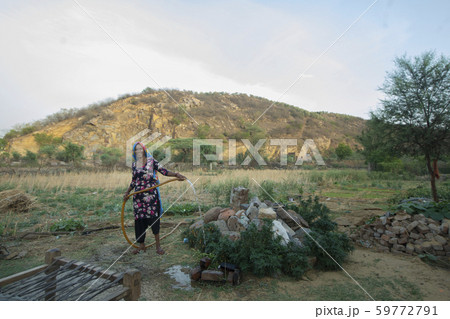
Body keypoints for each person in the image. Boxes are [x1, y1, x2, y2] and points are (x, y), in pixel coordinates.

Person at [124, 142, 186, 255]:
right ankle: (141, 245)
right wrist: (127, 193)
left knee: (154, 219)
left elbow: (164, 171)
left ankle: (158, 246)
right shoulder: (134, 165)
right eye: (136, 150)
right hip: (138, 198)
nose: (138, 151)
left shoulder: (151, 161)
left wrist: (176, 175)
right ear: (134, 152)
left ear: (144, 150)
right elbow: (134, 181)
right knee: (139, 221)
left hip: (151, 197)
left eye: (140, 149)